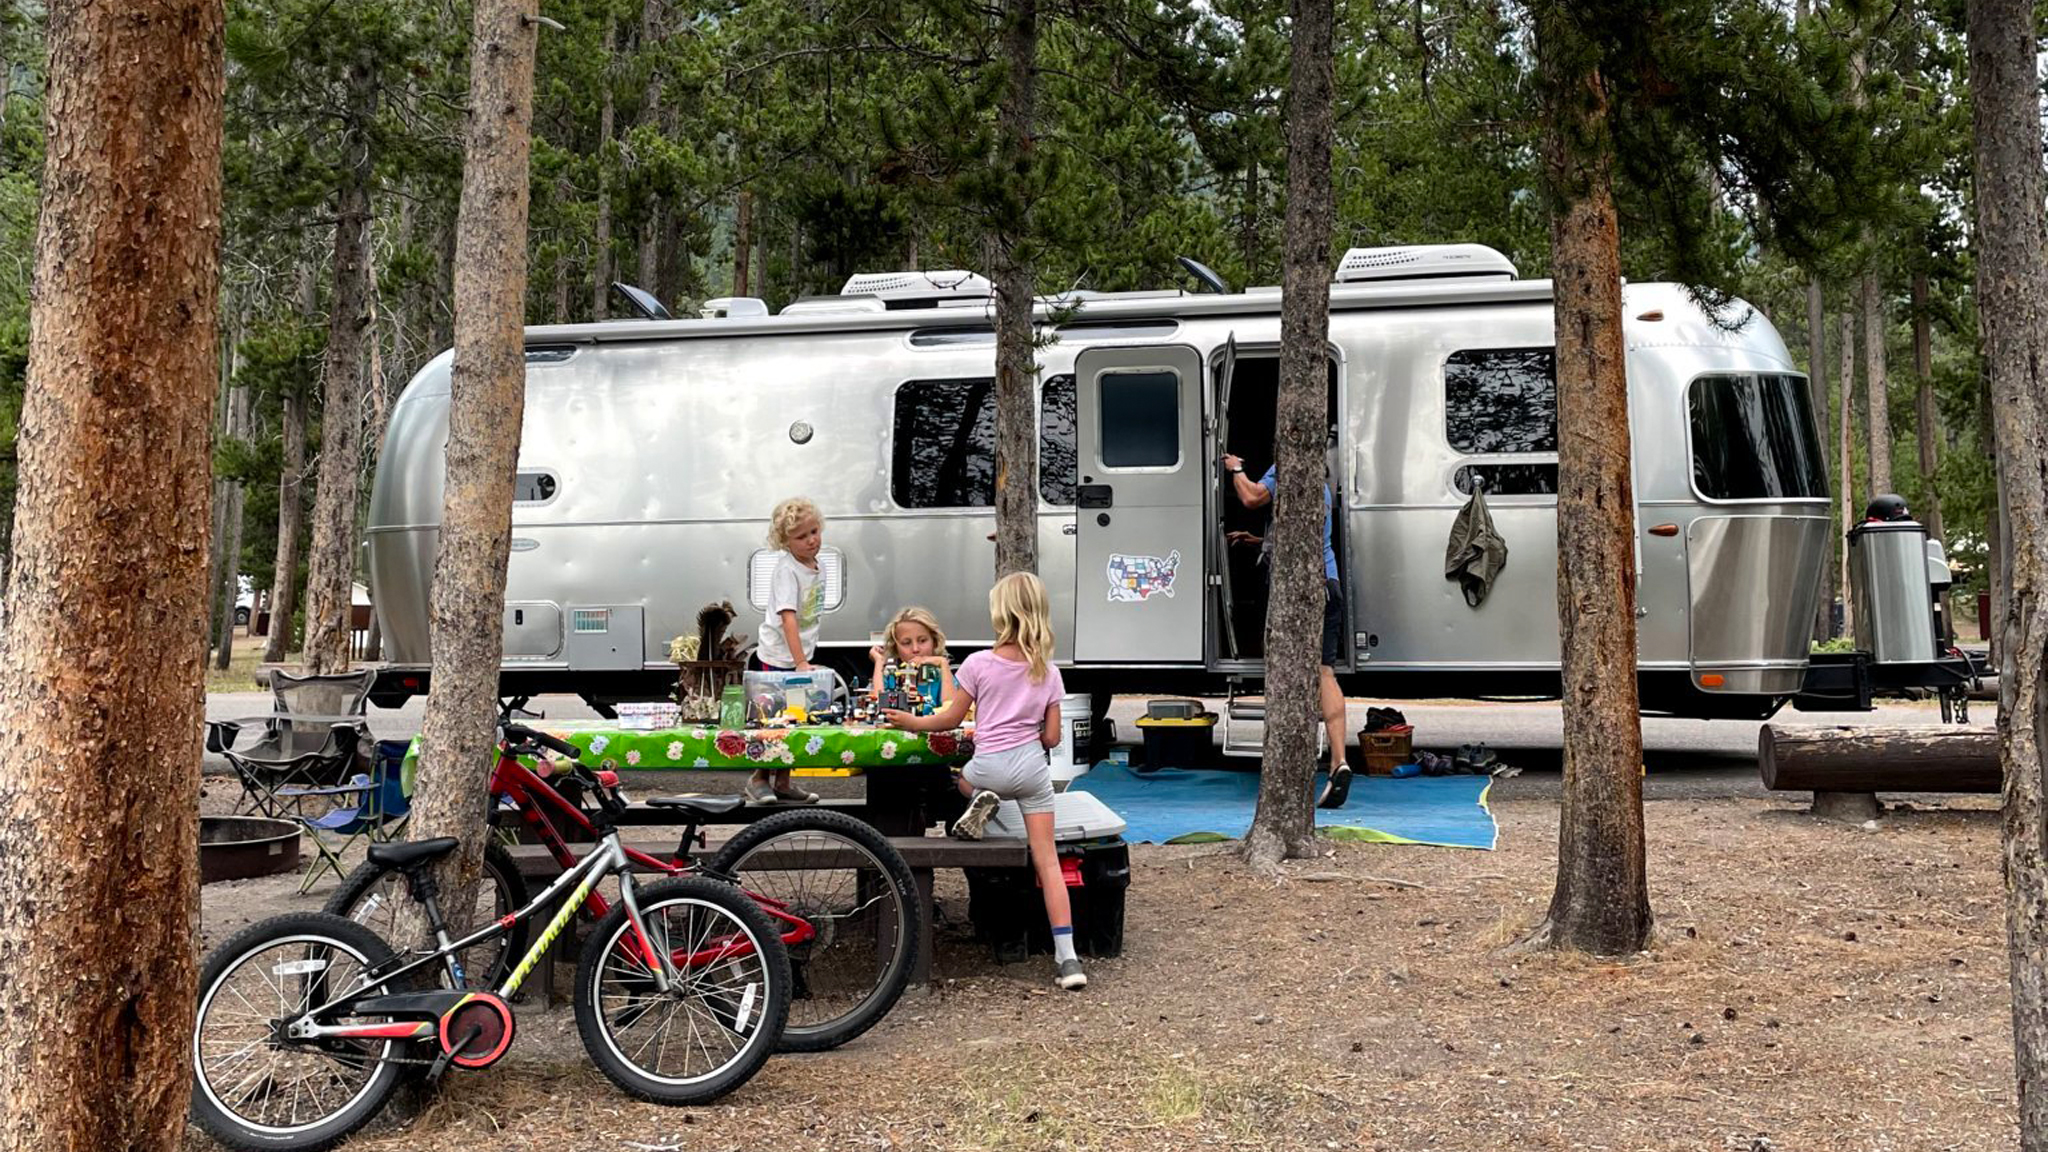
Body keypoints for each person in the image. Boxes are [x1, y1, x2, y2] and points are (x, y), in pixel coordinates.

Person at [884, 572, 1086, 991]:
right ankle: (1069, 960)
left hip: (987, 768)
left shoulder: (977, 664)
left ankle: (977, 799)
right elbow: (1051, 737)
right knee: (1048, 862)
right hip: (1031, 772)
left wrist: (912, 721)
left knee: (958, 784)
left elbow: (951, 720)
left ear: (1000, 615)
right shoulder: (1048, 671)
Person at [1221, 450, 1352, 807]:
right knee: (1325, 673)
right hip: (1330, 584)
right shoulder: (1320, 484)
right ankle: (1339, 760)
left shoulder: (1285, 470)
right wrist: (1257, 541)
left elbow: (1250, 497)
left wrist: (1238, 468)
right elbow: (1300, 533)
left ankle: (1289, 765)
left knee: (1287, 674)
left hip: (1300, 592)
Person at [747, 496, 824, 805]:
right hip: (779, 657)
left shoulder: (816, 566)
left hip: (800, 656)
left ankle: (784, 781)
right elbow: (788, 617)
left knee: (795, 718)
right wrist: (800, 661)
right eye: (801, 536)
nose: (811, 540)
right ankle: (759, 778)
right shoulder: (786, 570)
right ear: (785, 541)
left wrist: (804, 657)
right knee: (772, 721)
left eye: (815, 531)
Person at [867, 605, 957, 709]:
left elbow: (951, 710)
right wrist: (879, 662)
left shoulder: (942, 676)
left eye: (922, 641)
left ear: (935, 642)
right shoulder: (890, 675)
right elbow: (876, 706)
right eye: (906, 643)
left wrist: (944, 664)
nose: (915, 649)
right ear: (896, 648)